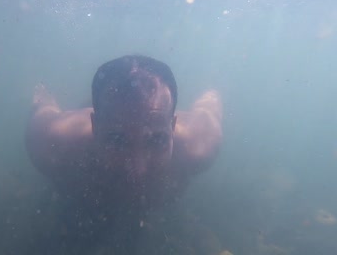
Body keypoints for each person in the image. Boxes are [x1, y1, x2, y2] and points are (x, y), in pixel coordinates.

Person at [25, 55, 222, 251]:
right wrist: (44, 100)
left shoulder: (198, 145)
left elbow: (208, 108)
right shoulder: (52, 145)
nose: (138, 169)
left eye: (156, 140)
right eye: (117, 140)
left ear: (172, 126)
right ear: (95, 126)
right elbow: (44, 110)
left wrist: (211, 94)